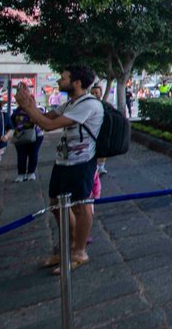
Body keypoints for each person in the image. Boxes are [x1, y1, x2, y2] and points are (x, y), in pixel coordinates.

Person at [15, 65, 104, 274]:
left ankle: (80, 251)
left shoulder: (88, 105)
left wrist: (28, 107)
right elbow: (47, 117)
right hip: (64, 160)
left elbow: (47, 125)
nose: (58, 81)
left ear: (77, 82)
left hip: (81, 162)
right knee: (56, 204)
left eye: (63, 78)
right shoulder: (70, 104)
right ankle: (70, 245)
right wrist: (31, 105)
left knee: (81, 207)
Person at [10, 91, 45, 182]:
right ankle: (21, 174)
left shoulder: (39, 110)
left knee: (33, 153)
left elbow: (42, 121)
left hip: (36, 135)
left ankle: (31, 172)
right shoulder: (16, 112)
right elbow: (11, 123)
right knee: (21, 155)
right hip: (20, 135)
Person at [90, 84, 108, 175]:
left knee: (103, 150)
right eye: (92, 93)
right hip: (91, 133)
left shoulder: (104, 105)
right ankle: (96, 166)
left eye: (96, 93)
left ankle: (101, 166)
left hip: (102, 131)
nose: (94, 94)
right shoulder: (88, 105)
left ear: (100, 94)